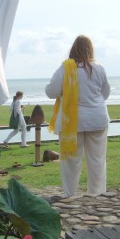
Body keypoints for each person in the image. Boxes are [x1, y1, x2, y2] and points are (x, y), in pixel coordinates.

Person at [45, 35, 111, 198]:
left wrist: (64, 92)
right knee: (97, 159)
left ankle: (70, 194)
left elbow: (51, 91)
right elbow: (105, 93)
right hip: (97, 118)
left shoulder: (66, 68)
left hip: (72, 121)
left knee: (70, 161)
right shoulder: (99, 68)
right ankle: (97, 193)